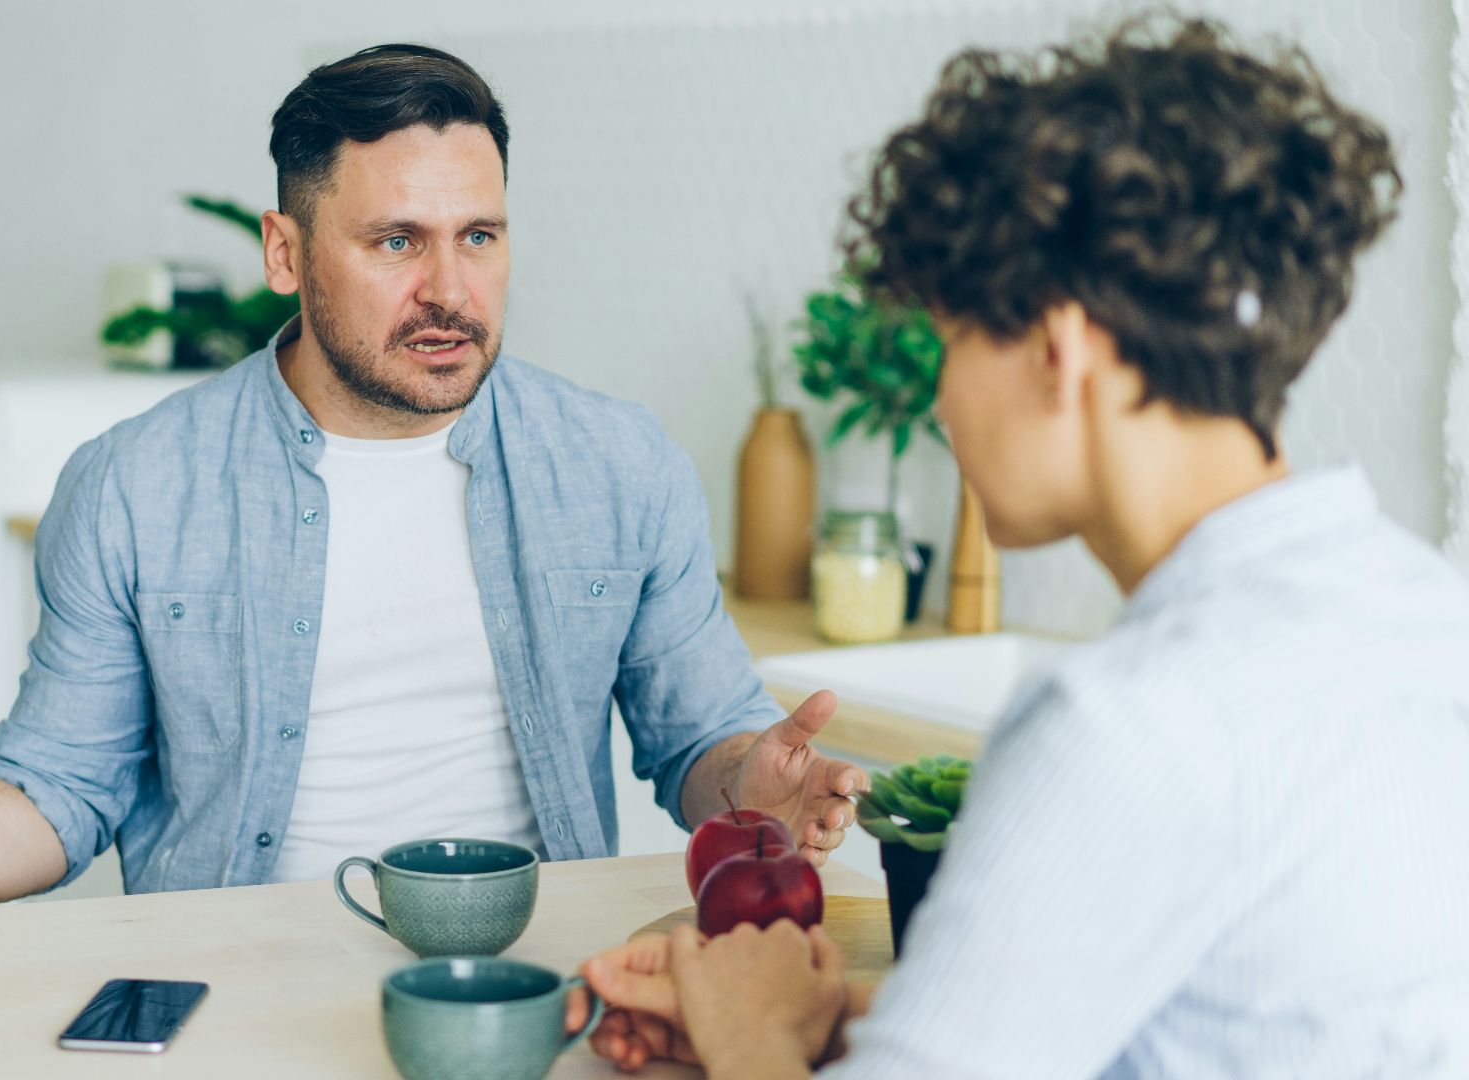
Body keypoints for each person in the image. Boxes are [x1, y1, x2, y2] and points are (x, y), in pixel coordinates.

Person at [0, 44, 865, 917]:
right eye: (396, 242)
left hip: (534, 977)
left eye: (481, 237)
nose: (450, 290)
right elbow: (53, 792)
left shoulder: (618, 465)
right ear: (286, 252)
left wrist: (752, 777)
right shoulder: (137, 487)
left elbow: (699, 743)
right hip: (229, 982)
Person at [571, 15, 1469, 1078]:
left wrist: (760, 1036)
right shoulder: (1424, 610)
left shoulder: (1129, 723)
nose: (943, 400)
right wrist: (842, 1024)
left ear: (1060, 347)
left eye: (951, 341)